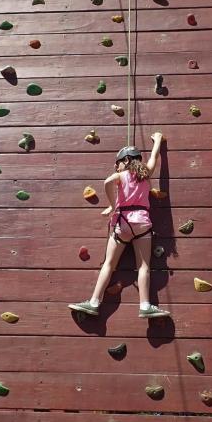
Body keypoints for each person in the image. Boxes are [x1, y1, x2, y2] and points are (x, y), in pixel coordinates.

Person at [69, 132, 170, 319]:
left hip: (122, 223)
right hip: (142, 223)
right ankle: (145, 305)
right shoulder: (146, 173)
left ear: (124, 161)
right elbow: (155, 156)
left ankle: (93, 302)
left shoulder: (121, 175)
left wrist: (113, 205)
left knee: (109, 264)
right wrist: (157, 141)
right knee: (144, 267)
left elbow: (107, 182)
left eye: (118, 163)